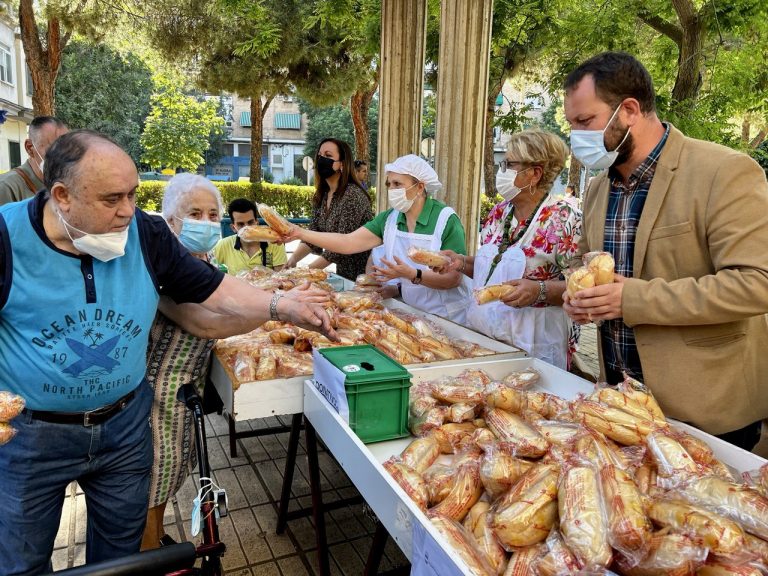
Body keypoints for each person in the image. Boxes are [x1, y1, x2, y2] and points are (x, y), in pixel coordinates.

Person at [0, 130, 333, 575]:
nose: (128, 210)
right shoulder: (6, 237)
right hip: (32, 437)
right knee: (20, 561)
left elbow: (213, 290)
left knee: (121, 559)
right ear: (62, 195)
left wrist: (283, 305)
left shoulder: (146, 232)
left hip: (123, 428)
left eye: (134, 195)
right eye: (112, 199)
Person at [561, 51, 768, 449]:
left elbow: (755, 283)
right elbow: (584, 260)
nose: (576, 138)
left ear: (630, 109)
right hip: (624, 407)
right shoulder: (599, 188)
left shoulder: (723, 172)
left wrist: (633, 299)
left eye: (584, 122)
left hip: (705, 411)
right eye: (572, 125)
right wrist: (578, 292)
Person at [435, 130, 581, 369]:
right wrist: (459, 262)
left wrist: (540, 290)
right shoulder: (499, 212)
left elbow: (582, 288)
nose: (500, 171)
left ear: (535, 174)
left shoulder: (565, 219)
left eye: (509, 164)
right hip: (485, 340)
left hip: (534, 345)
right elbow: (491, 270)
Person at [283, 154, 471, 325]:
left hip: (449, 318)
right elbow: (348, 242)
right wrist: (301, 233)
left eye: (398, 184)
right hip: (411, 314)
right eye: (389, 184)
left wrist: (412, 274)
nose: (392, 190)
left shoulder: (445, 220)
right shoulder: (390, 219)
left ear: (420, 187)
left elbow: (453, 278)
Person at [285, 138, 373, 279]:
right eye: (320, 155)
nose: (321, 159)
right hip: (343, 275)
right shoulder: (323, 195)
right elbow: (313, 234)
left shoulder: (353, 195)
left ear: (342, 164)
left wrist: (304, 273)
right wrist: (293, 259)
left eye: (328, 155)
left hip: (364, 276)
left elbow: (342, 245)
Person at [0, 116, 69, 205]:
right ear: (30, 148)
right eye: (54, 149)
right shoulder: (7, 187)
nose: (64, 157)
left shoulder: (66, 184)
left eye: (68, 150)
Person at [213, 197, 287, 274]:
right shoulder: (224, 245)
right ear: (233, 228)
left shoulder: (274, 244)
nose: (247, 228)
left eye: (250, 222)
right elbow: (207, 269)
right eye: (241, 224)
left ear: (257, 223)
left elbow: (281, 278)